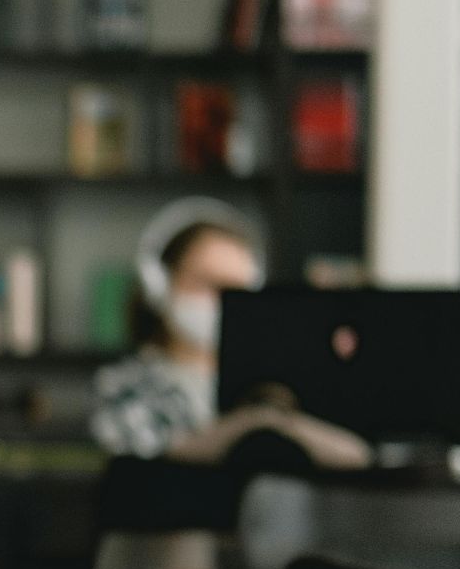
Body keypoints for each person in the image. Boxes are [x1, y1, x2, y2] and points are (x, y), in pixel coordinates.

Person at [90, 198, 369, 469]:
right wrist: (252, 424)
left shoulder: (276, 382)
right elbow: (140, 466)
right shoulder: (122, 385)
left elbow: (357, 456)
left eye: (237, 290)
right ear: (159, 283)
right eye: (208, 284)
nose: (222, 302)